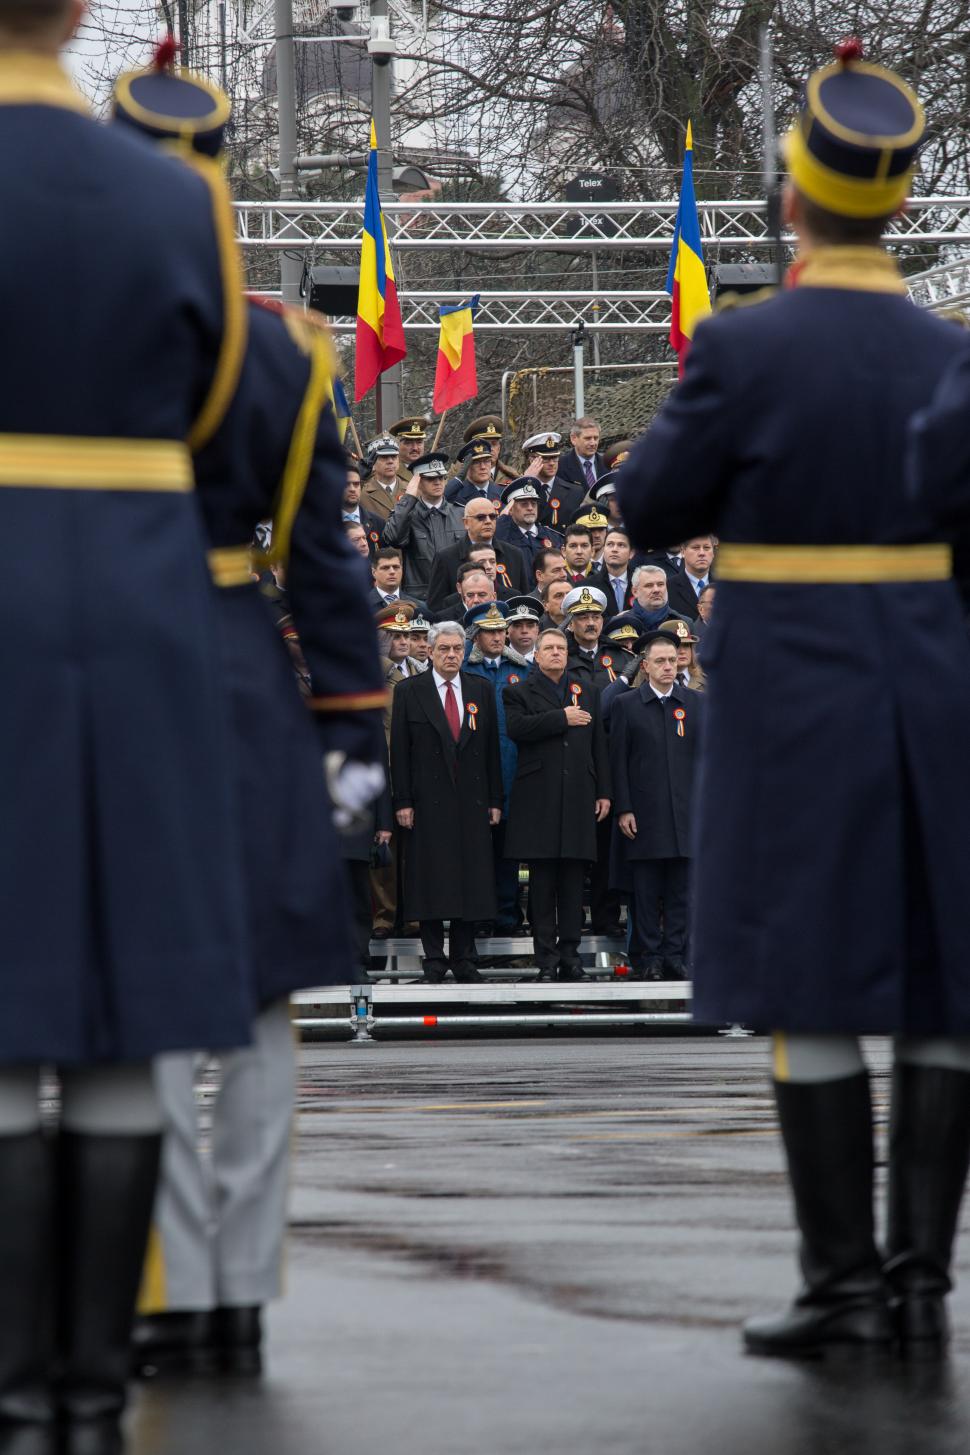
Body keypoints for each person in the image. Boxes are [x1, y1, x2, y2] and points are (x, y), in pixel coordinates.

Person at [617, 42, 970, 1358]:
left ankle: (838, 1283)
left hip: (788, 693)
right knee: (942, 981)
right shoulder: (949, 353)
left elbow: (649, 504)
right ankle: (920, 1279)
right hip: (934, 683)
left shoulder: (743, 344)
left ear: (793, 199)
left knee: (810, 983)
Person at [0, 4, 263, 1441]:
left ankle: (13, 1392)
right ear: (81, 16)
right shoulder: (179, 194)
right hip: (142, 608)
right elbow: (215, 406)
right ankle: (93, 1394)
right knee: (121, 1004)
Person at [113, 60, 386, 1386]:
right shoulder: (282, 342)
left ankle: (168, 1283)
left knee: (154, 982)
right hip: (240, 656)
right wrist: (354, 726)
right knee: (264, 991)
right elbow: (323, 560)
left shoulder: (86, 308)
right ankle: (240, 1288)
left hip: (117, 651)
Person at [390, 624, 503, 982]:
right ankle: (435, 961)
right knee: (431, 881)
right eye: (444, 649)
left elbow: (490, 751)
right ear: (431, 652)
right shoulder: (411, 691)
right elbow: (401, 752)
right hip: (427, 802)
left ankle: (465, 960)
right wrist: (403, 800)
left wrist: (495, 799)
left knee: (470, 881)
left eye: (457, 648)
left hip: (471, 802)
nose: (451, 655)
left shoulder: (479, 689)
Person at [504, 630, 611, 981]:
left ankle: (572, 958)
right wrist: (561, 718)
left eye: (560, 648)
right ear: (536, 654)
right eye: (548, 648)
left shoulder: (588, 692)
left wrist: (604, 792)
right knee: (541, 886)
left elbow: (599, 746)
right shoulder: (517, 690)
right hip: (539, 802)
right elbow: (518, 728)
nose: (555, 653)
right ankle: (546, 961)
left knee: (571, 885)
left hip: (579, 798)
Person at [608, 633, 703, 980]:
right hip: (644, 815)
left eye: (673, 659)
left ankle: (676, 954)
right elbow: (617, 761)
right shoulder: (627, 704)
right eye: (660, 661)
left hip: (685, 815)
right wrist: (624, 808)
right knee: (645, 893)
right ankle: (648, 956)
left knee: (681, 892)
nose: (667, 666)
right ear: (645, 665)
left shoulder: (696, 704)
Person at [461, 601, 525, 931]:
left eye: (501, 630)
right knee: (475, 853)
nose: (498, 637)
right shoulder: (463, 671)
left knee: (507, 853)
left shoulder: (523, 671)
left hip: (513, 774)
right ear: (476, 636)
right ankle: (478, 916)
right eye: (490, 631)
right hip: (474, 776)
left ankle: (507, 916)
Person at [381, 451, 465, 597]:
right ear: (417, 482)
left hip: (456, 594)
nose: (438, 482)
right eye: (430, 478)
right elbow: (393, 538)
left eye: (441, 477)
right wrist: (408, 498)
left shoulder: (461, 513)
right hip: (421, 598)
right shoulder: (407, 515)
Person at [426, 498, 529, 609]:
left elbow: (523, 601)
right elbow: (436, 607)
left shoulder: (514, 554)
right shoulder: (445, 558)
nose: (488, 521)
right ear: (466, 523)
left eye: (492, 516)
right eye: (481, 517)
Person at [520, 432, 585, 528]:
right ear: (532, 460)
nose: (552, 463)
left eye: (555, 458)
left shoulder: (575, 491)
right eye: (545, 458)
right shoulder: (521, 489)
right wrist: (527, 482)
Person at [495, 478, 564, 569]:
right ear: (510, 509)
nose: (530, 508)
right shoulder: (504, 537)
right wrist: (503, 519)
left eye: (533, 503)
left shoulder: (553, 537)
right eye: (524, 504)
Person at [630, 565, 694, 633]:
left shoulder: (684, 623)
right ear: (635, 592)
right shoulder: (623, 622)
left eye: (660, 584)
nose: (656, 590)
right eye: (649, 585)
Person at [665, 536, 716, 618]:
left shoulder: (725, 586)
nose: (702, 553)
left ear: (713, 552)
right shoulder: (668, 588)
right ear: (682, 551)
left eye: (706, 548)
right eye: (695, 548)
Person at [367, 546, 427, 615]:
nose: (392, 571)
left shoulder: (419, 606)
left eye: (396, 567)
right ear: (374, 572)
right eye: (385, 568)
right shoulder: (361, 607)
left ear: (401, 569)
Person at [445, 438, 504, 506]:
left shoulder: (502, 492)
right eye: (476, 462)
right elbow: (443, 498)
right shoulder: (456, 495)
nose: (483, 467)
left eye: (486, 461)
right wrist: (459, 477)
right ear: (466, 466)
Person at [594, 527, 636, 618]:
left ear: (631, 553)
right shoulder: (589, 585)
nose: (614, 549)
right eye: (610, 544)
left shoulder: (640, 583)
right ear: (603, 549)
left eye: (621, 545)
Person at [360, 434, 403, 521]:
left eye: (394, 456)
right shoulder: (362, 493)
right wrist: (359, 479)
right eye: (384, 457)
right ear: (372, 463)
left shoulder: (412, 489)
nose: (390, 461)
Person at [556, 417, 605, 494]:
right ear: (573, 439)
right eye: (588, 438)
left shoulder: (608, 464)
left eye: (596, 438)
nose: (593, 443)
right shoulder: (560, 466)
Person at [342, 461, 385, 545]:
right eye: (346, 484)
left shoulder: (378, 522)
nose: (352, 489)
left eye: (356, 484)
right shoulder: (325, 524)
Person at [389, 415, 428, 484]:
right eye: (408, 443)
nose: (415, 448)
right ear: (396, 444)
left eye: (419, 442)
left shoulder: (431, 468)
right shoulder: (390, 471)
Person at [505, 596, 542, 665]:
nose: (524, 631)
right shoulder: (498, 661)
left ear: (537, 630)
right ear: (506, 631)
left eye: (530, 625)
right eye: (517, 626)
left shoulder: (547, 660)